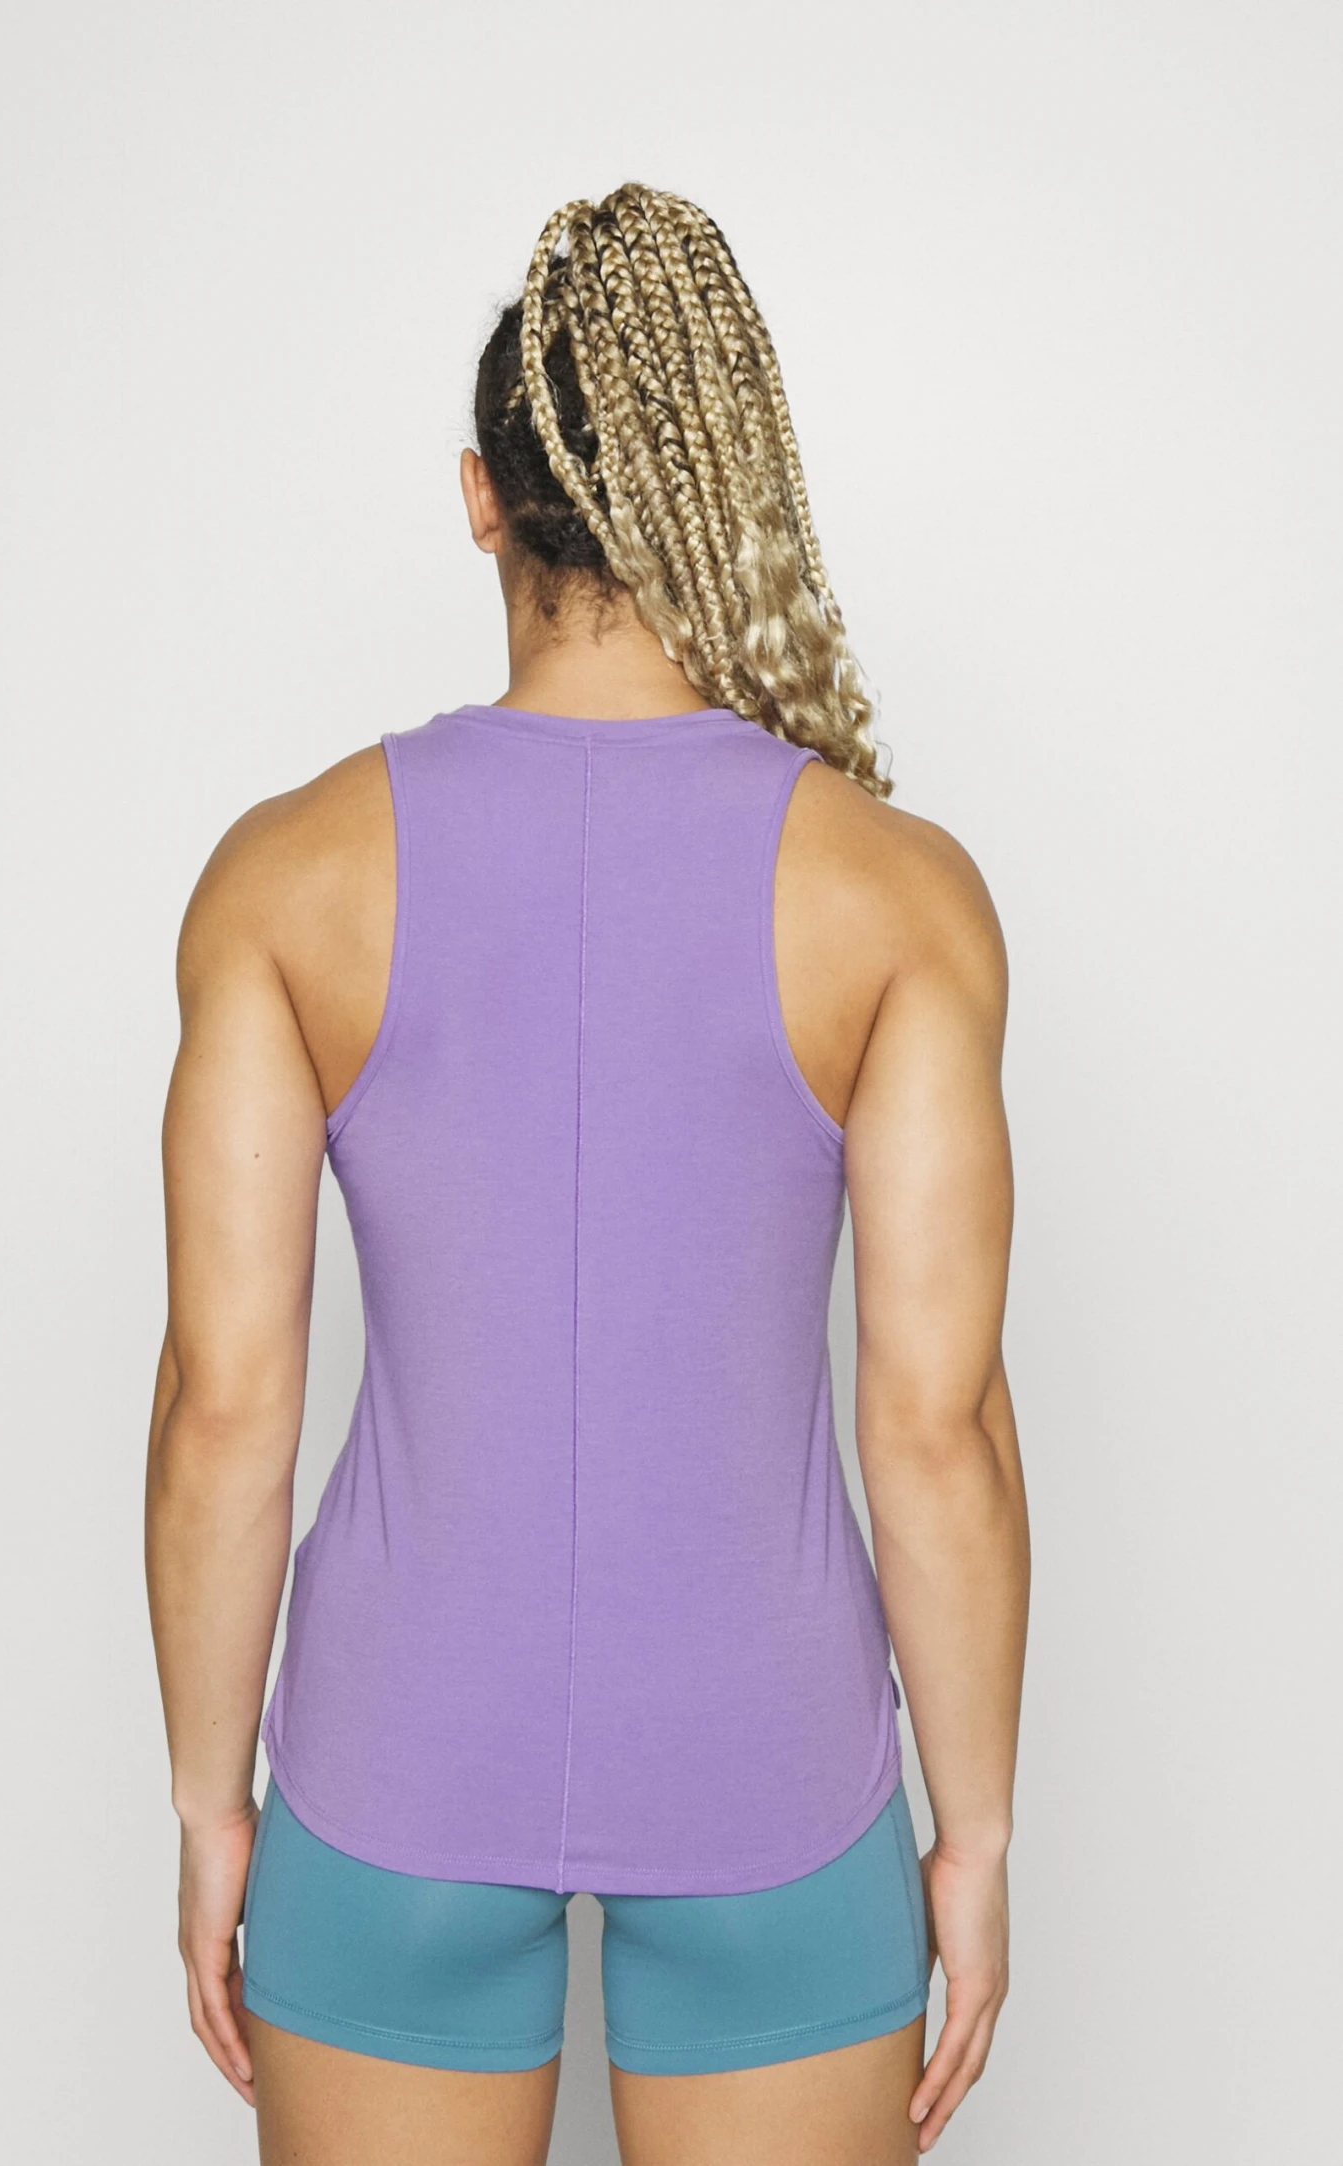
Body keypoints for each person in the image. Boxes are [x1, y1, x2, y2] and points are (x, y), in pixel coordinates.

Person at [145, 182, 1030, 2166]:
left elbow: (224, 1405)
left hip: (389, 1763)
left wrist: (212, 1803)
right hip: (774, 1770)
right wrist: (970, 1832)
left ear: (484, 500)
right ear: (726, 490)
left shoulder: (286, 879)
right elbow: (937, 1421)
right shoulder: (897, 898)